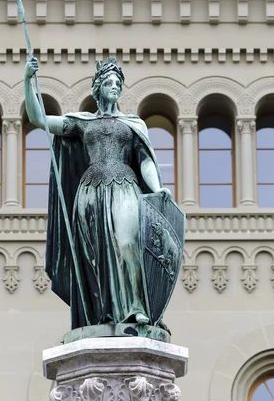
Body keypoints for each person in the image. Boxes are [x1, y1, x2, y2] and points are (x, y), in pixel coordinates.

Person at [24, 56, 171, 330]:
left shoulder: (133, 123)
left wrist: (157, 187)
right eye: (109, 82)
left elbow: (145, 160)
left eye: (119, 83)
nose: (115, 86)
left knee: (128, 245)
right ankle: (101, 313)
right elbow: (39, 119)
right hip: (90, 194)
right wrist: (27, 81)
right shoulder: (82, 124)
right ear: (98, 87)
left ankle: (137, 308)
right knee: (95, 256)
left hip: (125, 187)